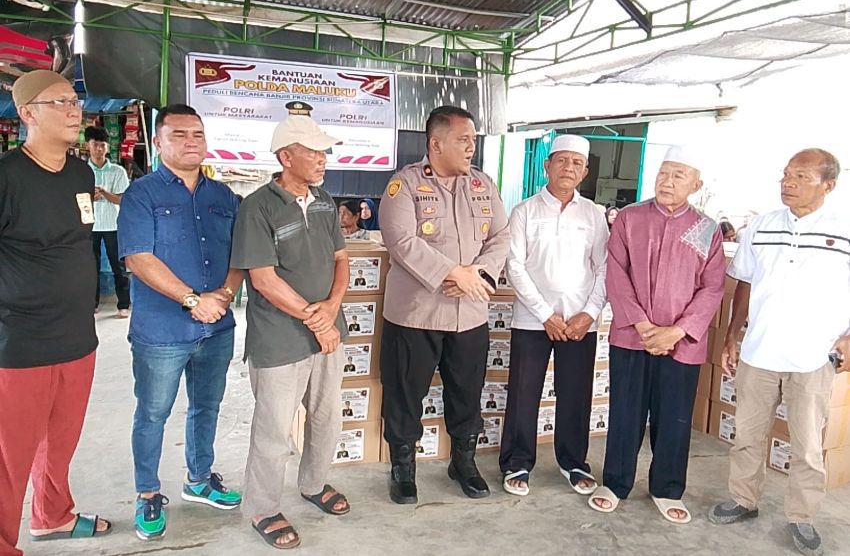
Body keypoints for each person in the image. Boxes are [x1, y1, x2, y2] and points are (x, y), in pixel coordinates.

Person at [709, 149, 849, 556]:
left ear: (829, 185)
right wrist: (733, 335)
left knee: (806, 445)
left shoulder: (844, 230)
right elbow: (745, 284)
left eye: (801, 176)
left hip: (812, 356)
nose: (788, 183)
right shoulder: (762, 227)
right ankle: (744, 499)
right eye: (786, 175)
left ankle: (801, 517)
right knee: (747, 436)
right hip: (759, 352)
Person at [118, 104, 243, 541]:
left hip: (217, 327)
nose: (191, 141)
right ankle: (148, 492)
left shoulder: (224, 197)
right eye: (179, 134)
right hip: (162, 332)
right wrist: (193, 299)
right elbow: (138, 257)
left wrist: (224, 296)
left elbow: (240, 256)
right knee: (153, 413)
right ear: (158, 142)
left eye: (198, 134)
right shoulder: (142, 195)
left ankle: (199, 479)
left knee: (206, 407)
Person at [0, 70, 112, 556]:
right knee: (9, 459)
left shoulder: (79, 172)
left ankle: (53, 516)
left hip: (77, 337)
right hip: (19, 342)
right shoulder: (6, 176)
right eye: (60, 102)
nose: (74, 110)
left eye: (74, 101)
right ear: (27, 114)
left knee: (60, 443)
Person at [230, 115, 351, 550]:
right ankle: (262, 506)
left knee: (327, 417)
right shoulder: (257, 206)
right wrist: (315, 319)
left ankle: (314, 484)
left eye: (324, 152)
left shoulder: (324, 201)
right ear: (286, 157)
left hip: (327, 333)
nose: (323, 160)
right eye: (314, 152)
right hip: (280, 337)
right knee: (274, 429)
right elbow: (262, 278)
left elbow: (342, 261)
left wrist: (332, 310)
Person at [380, 105, 510, 504]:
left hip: (468, 314)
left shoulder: (483, 185)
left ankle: (463, 462)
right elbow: (401, 241)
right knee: (405, 393)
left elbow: (501, 236)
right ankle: (403, 468)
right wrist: (456, 273)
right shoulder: (404, 185)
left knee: (467, 392)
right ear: (436, 144)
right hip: (415, 314)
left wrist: (480, 274)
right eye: (462, 140)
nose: (471, 147)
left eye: (473, 140)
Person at [588, 145, 725, 524]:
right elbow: (616, 272)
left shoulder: (707, 229)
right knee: (626, 413)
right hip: (633, 337)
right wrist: (644, 325)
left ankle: (667, 487)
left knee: (675, 417)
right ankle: (615, 483)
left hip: (682, 344)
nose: (667, 181)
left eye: (678, 175)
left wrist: (677, 331)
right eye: (663, 173)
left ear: (696, 183)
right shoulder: (630, 218)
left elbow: (712, 288)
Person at [499, 134, 608, 498]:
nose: (568, 168)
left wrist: (589, 314)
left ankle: (573, 461)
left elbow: (606, 267)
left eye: (576, 163)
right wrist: (546, 314)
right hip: (533, 320)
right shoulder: (525, 211)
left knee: (576, 394)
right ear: (547, 166)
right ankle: (517, 461)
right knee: (524, 394)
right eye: (561, 161)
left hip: (579, 323)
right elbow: (514, 265)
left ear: (585, 172)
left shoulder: (594, 215)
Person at [85, 126, 131, 317]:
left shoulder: (117, 171)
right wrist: (90, 197)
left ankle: (123, 305)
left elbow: (122, 199)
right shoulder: (82, 170)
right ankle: (92, 304)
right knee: (89, 267)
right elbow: (74, 198)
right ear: (88, 146)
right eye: (95, 144)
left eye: (102, 145)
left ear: (108, 147)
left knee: (118, 267)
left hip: (113, 225)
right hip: (89, 225)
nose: (99, 149)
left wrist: (104, 192)